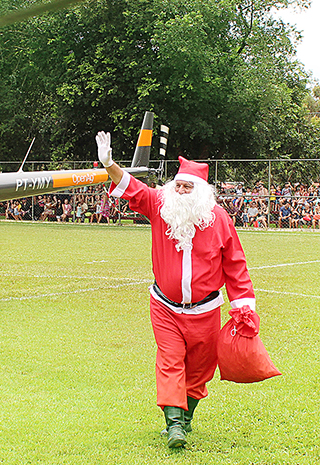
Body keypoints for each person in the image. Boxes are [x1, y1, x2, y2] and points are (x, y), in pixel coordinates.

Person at [95, 131, 256, 449]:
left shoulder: (219, 219)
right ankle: (173, 426)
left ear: (200, 192)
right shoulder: (160, 205)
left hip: (206, 311)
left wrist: (243, 306)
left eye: (187, 187)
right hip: (165, 307)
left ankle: (186, 418)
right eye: (178, 185)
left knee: (199, 368)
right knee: (170, 360)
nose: (181, 191)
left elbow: (236, 265)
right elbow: (133, 188)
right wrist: (109, 163)